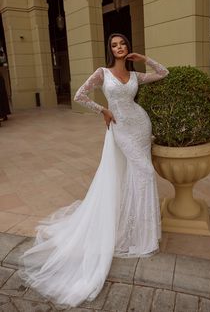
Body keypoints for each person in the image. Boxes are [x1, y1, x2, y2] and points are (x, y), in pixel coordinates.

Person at [19, 33, 169, 307]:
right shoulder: (103, 73)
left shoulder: (136, 76)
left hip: (140, 125)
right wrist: (103, 110)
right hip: (120, 127)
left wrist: (144, 59)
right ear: (109, 50)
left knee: (138, 175)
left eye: (123, 44)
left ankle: (142, 230)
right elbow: (80, 95)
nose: (119, 48)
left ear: (128, 47)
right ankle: (137, 232)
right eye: (114, 45)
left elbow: (163, 72)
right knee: (145, 174)